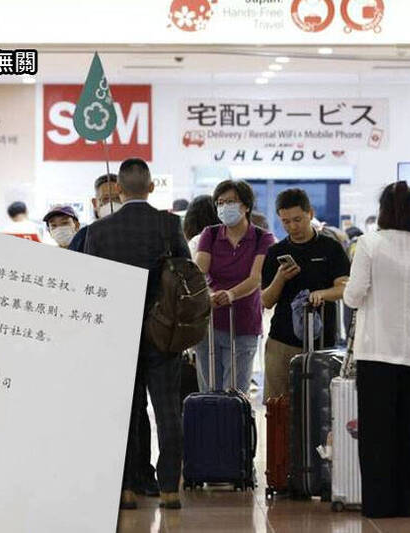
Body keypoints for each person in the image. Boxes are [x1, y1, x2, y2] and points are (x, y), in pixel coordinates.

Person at [85, 158, 189, 511]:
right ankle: (170, 489)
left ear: (117, 190)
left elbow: (90, 285)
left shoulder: (99, 232)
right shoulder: (170, 225)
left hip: (118, 334)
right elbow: (187, 276)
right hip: (164, 332)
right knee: (167, 410)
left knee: (125, 413)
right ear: (151, 186)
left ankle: (126, 488)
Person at [343, 181, 410, 518]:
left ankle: (379, 504)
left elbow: (354, 295)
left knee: (377, 432)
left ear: (384, 209)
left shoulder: (369, 244)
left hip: (376, 351)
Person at [260, 188, 350, 403]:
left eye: (297, 219)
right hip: (282, 341)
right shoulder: (275, 252)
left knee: (322, 407)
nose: (292, 226)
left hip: (322, 343)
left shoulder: (331, 248)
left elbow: (345, 288)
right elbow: (266, 300)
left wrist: (322, 294)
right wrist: (280, 278)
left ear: (310, 213)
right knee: (279, 406)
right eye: (286, 221)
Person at [194, 180, 274, 394]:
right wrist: (208, 293)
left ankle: (233, 428)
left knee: (235, 393)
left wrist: (231, 294)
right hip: (208, 323)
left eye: (230, 202)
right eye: (220, 203)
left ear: (246, 206)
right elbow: (200, 270)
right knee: (208, 392)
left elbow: (255, 278)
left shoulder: (262, 238)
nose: (224, 207)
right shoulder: (210, 234)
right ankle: (208, 428)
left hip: (244, 324)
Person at [68, 173, 121, 252]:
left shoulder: (137, 233)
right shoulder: (84, 237)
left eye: (117, 198)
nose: (112, 204)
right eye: (105, 199)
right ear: (95, 203)